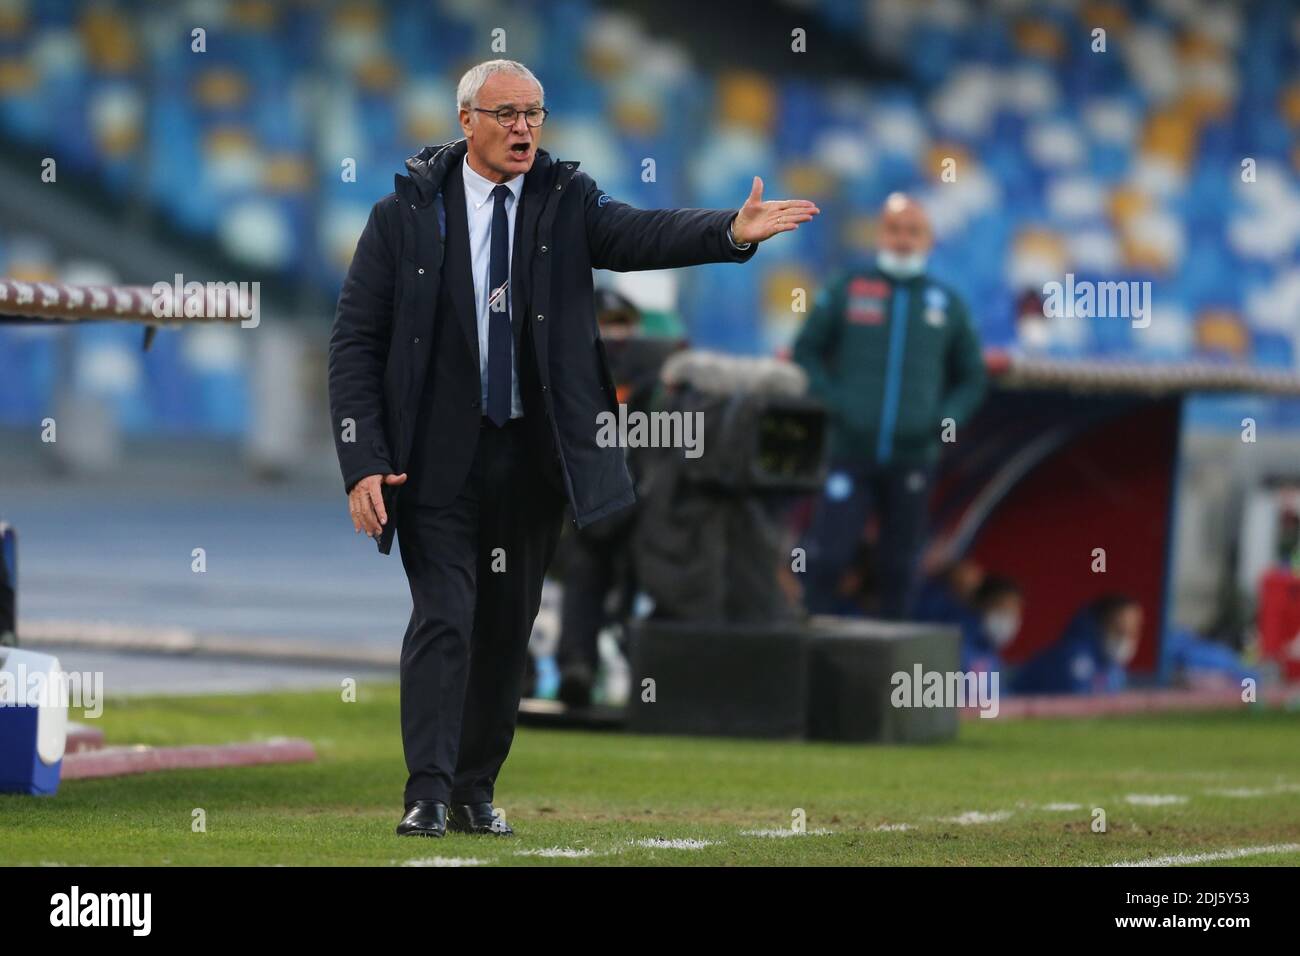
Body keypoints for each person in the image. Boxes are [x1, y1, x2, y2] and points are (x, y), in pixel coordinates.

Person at [327, 59, 819, 838]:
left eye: (535, 113)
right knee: (445, 616)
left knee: (504, 632)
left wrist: (728, 232)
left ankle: (473, 789)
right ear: (468, 122)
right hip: (433, 463)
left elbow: (636, 235)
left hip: (530, 460)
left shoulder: (565, 200)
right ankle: (425, 789)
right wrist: (361, 461)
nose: (524, 127)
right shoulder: (404, 216)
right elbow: (356, 343)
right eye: (508, 113)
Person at [793, 193, 986, 619]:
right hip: (848, 452)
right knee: (826, 557)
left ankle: (889, 673)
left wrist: (944, 419)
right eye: (895, 229)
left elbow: (972, 375)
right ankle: (806, 654)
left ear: (929, 240)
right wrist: (835, 403)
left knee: (899, 567)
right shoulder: (848, 287)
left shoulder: (946, 303)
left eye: (913, 231)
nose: (902, 239)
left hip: (913, 457)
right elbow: (805, 351)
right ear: (881, 233)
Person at [1013, 594, 1142, 695]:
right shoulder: (1073, 656)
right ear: (1100, 625)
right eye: (1118, 630)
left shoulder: (1114, 668)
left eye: (1132, 632)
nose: (1125, 639)